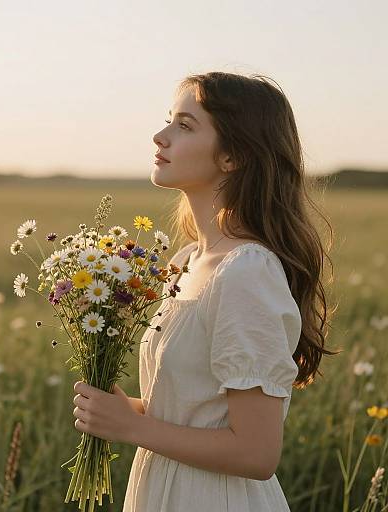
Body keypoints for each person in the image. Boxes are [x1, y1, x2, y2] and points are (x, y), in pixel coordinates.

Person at [120, 71, 341, 511]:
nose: (160, 136)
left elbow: (256, 453)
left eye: (184, 125)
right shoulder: (185, 261)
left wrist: (131, 429)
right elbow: (199, 410)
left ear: (233, 156)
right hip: (164, 490)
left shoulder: (246, 271)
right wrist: (128, 410)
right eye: (169, 120)